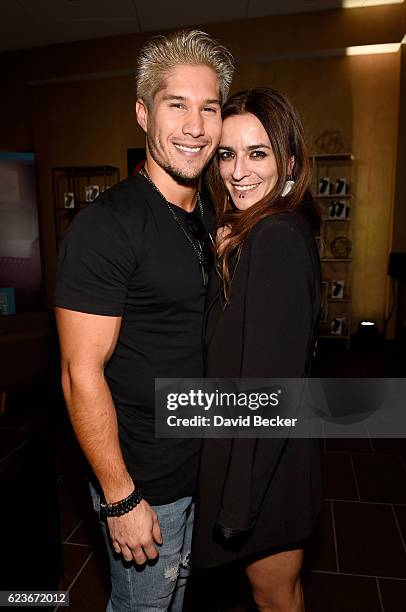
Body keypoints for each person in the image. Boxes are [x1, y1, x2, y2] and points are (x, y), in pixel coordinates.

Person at [54, 30, 234, 611]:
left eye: (208, 108)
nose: (194, 126)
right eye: (175, 104)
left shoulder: (206, 211)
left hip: (195, 467)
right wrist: (120, 497)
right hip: (146, 484)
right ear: (142, 113)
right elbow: (80, 373)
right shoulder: (107, 226)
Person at [193, 88, 322, 612]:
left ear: (289, 161)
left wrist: (237, 507)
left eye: (258, 153)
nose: (239, 171)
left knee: (274, 600)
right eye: (227, 154)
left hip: (264, 470)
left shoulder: (274, 239)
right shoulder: (269, 230)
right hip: (274, 458)